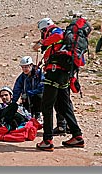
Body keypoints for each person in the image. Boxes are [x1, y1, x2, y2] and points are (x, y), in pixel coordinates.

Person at [33, 17, 85, 151]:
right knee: (63, 106)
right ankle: (77, 136)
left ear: (44, 29)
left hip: (55, 73)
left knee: (47, 106)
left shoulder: (56, 31)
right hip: (64, 74)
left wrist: (42, 42)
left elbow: (58, 35)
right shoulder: (67, 38)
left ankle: (47, 140)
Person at [12, 56, 44, 120]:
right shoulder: (22, 77)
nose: (24, 69)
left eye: (26, 67)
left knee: (39, 96)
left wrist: (29, 93)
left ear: (31, 65)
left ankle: (38, 114)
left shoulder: (39, 74)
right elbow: (17, 90)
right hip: (27, 99)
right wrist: (12, 102)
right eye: (22, 67)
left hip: (38, 98)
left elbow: (42, 88)